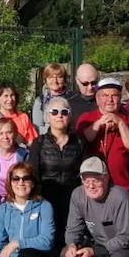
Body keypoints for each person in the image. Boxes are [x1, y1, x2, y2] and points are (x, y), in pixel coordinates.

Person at [30, 96, 82, 247]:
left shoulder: (79, 142)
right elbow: (33, 175)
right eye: (54, 112)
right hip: (46, 201)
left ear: (70, 116)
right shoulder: (38, 143)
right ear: (47, 116)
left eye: (64, 112)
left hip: (72, 202)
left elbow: (84, 174)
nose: (60, 115)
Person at [77, 77, 129, 195]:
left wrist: (120, 123)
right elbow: (83, 141)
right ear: (97, 99)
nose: (110, 100)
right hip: (93, 188)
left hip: (123, 187)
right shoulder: (86, 118)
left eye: (114, 95)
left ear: (120, 99)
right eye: (105, 96)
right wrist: (98, 123)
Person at [0, 117, 29, 227]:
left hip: (19, 207)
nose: (5, 137)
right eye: (1, 133)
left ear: (15, 134)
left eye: (9, 132)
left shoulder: (24, 156)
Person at [31, 63, 70, 136]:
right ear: (45, 80)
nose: (55, 81)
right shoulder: (40, 101)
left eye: (59, 77)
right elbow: (37, 127)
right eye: (51, 77)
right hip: (47, 141)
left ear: (64, 79)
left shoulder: (71, 98)